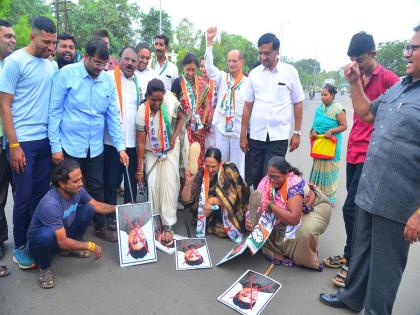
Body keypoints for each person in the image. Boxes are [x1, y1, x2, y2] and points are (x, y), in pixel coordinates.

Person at [319, 25, 420, 314]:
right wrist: (353, 83)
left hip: (397, 203)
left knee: (385, 267)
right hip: (369, 189)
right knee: (361, 251)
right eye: (407, 47)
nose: (406, 53)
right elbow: (365, 113)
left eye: (413, 48)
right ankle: (351, 297)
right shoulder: (401, 86)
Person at [322, 32, 399, 289]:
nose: (355, 65)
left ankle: (354, 263)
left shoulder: (390, 80)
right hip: (354, 151)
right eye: (352, 60)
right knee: (353, 209)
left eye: (361, 59)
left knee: (352, 209)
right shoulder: (355, 77)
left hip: (372, 155)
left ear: (374, 54)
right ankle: (349, 252)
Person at [48, 37, 129, 242]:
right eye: (96, 63)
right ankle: (65, 232)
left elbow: (112, 116)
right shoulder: (67, 74)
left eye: (104, 64)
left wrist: (120, 148)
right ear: (86, 56)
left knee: (96, 186)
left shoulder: (107, 80)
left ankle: (100, 227)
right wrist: (55, 147)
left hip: (95, 147)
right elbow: (55, 112)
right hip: (69, 145)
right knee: (68, 189)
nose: (100, 68)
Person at [0, 16, 57, 269]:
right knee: (22, 197)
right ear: (32, 37)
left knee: (39, 195)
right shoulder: (14, 62)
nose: (51, 47)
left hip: (45, 141)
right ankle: (20, 246)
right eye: (46, 41)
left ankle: (34, 240)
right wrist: (13, 145)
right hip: (22, 142)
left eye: (53, 42)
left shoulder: (51, 66)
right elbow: (4, 105)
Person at [27, 159, 115, 289]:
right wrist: (89, 245)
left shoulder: (77, 190)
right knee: (46, 234)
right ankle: (44, 267)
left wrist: (120, 208)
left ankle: (70, 249)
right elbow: (62, 241)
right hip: (41, 244)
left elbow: (96, 205)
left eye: (80, 179)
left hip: (61, 235)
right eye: (75, 181)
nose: (81, 184)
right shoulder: (50, 204)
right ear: (62, 183)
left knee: (88, 209)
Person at [240, 33, 305, 189]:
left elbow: (298, 103)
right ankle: (258, 208)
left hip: (278, 137)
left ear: (277, 52)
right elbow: (248, 105)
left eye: (267, 53)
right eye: (260, 53)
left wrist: (297, 132)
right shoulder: (254, 74)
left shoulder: (290, 72)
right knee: (254, 176)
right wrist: (243, 135)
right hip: (256, 135)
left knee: (272, 177)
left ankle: (271, 210)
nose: (263, 57)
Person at [251, 156, 332, 270]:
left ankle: (308, 258)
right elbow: (261, 207)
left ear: (286, 174)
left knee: (304, 231)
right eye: (270, 176)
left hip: (316, 206)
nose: (272, 180)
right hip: (292, 211)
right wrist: (250, 219)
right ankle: (281, 249)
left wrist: (271, 206)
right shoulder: (266, 181)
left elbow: (294, 218)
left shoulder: (293, 185)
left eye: (276, 177)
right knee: (266, 225)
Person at [135, 78, 183, 242]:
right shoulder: (142, 111)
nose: (156, 103)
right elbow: (141, 142)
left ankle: (168, 224)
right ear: (147, 96)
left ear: (164, 95)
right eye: (153, 100)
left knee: (169, 183)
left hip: (169, 148)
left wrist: (173, 138)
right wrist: (140, 170)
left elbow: (182, 118)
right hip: (151, 150)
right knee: (154, 185)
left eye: (159, 99)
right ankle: (155, 222)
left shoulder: (170, 101)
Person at [103, 46, 140, 231]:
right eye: (127, 59)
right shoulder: (108, 77)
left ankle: (129, 216)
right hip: (111, 142)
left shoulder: (139, 83)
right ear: (119, 60)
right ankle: (111, 217)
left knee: (131, 181)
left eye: (134, 61)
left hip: (132, 142)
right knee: (111, 180)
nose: (130, 63)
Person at [204, 27, 247, 177]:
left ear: (241, 62)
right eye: (229, 61)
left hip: (237, 131)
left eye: (234, 61)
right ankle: (220, 195)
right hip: (222, 128)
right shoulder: (222, 77)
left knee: (236, 166)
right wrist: (209, 43)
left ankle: (237, 198)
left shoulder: (248, 83)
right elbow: (209, 68)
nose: (231, 63)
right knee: (221, 163)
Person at [181, 148, 249, 241]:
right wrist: (188, 183)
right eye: (207, 165)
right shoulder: (200, 172)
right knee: (198, 205)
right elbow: (187, 200)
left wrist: (212, 201)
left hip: (228, 208)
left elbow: (235, 196)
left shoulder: (229, 169)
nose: (210, 169)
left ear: (220, 163)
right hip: (208, 209)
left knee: (231, 226)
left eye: (213, 166)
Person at [309, 84, 347, 205]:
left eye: (325, 95)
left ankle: (330, 195)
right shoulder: (319, 109)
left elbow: (344, 126)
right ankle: (315, 193)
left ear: (333, 95)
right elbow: (314, 126)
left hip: (332, 144)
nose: (323, 97)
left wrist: (331, 131)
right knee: (318, 167)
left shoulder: (338, 109)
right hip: (320, 143)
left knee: (330, 169)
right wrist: (313, 131)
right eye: (321, 95)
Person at [172, 53, 210, 167]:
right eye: (188, 69)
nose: (190, 73)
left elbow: (207, 107)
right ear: (183, 67)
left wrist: (201, 126)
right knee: (182, 160)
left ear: (197, 69)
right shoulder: (177, 82)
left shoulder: (202, 84)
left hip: (197, 129)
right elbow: (173, 106)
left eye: (193, 70)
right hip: (181, 126)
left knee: (196, 160)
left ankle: (195, 184)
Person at [0, 19, 16, 277]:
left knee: (20, 193)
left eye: (14, 36)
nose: (13, 40)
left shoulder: (12, 65)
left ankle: (8, 238)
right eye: (8, 36)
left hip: (13, 140)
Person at [200, 58, 218, 151]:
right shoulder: (197, 83)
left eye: (206, 66)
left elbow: (219, 101)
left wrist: (212, 115)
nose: (203, 69)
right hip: (200, 121)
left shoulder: (216, 83)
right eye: (202, 66)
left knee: (212, 149)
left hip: (213, 122)